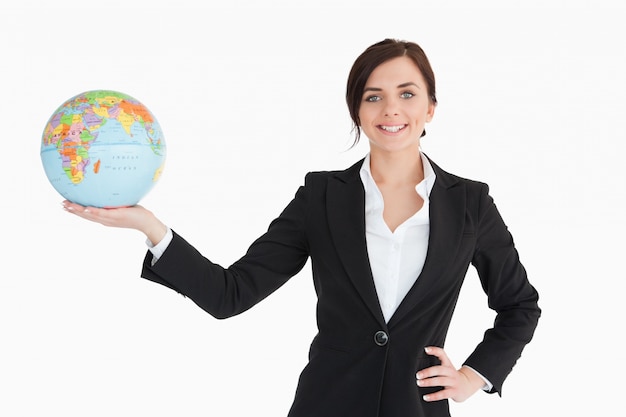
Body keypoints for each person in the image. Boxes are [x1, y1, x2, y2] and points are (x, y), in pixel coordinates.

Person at [63, 38, 541, 417]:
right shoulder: (322, 197)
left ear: (430, 109)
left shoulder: (470, 203)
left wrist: (475, 376)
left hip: (416, 409)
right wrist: (149, 226)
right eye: (373, 96)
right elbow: (231, 293)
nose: (391, 109)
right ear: (358, 110)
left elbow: (519, 305)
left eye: (407, 94)